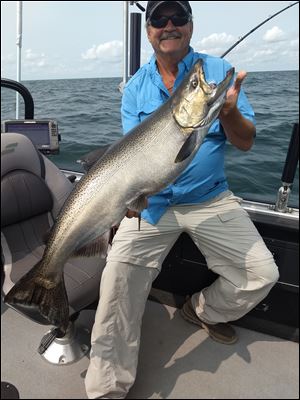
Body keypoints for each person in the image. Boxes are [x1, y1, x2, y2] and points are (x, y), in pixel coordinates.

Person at [85, 1, 279, 398]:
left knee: (263, 275)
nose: (169, 25)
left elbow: (245, 143)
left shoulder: (217, 73)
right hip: (151, 206)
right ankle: (107, 390)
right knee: (115, 288)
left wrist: (227, 113)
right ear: (150, 30)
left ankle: (202, 310)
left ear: (191, 26)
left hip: (209, 199)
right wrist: (121, 204)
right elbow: (132, 160)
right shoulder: (135, 87)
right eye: (159, 19)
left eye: (178, 18)